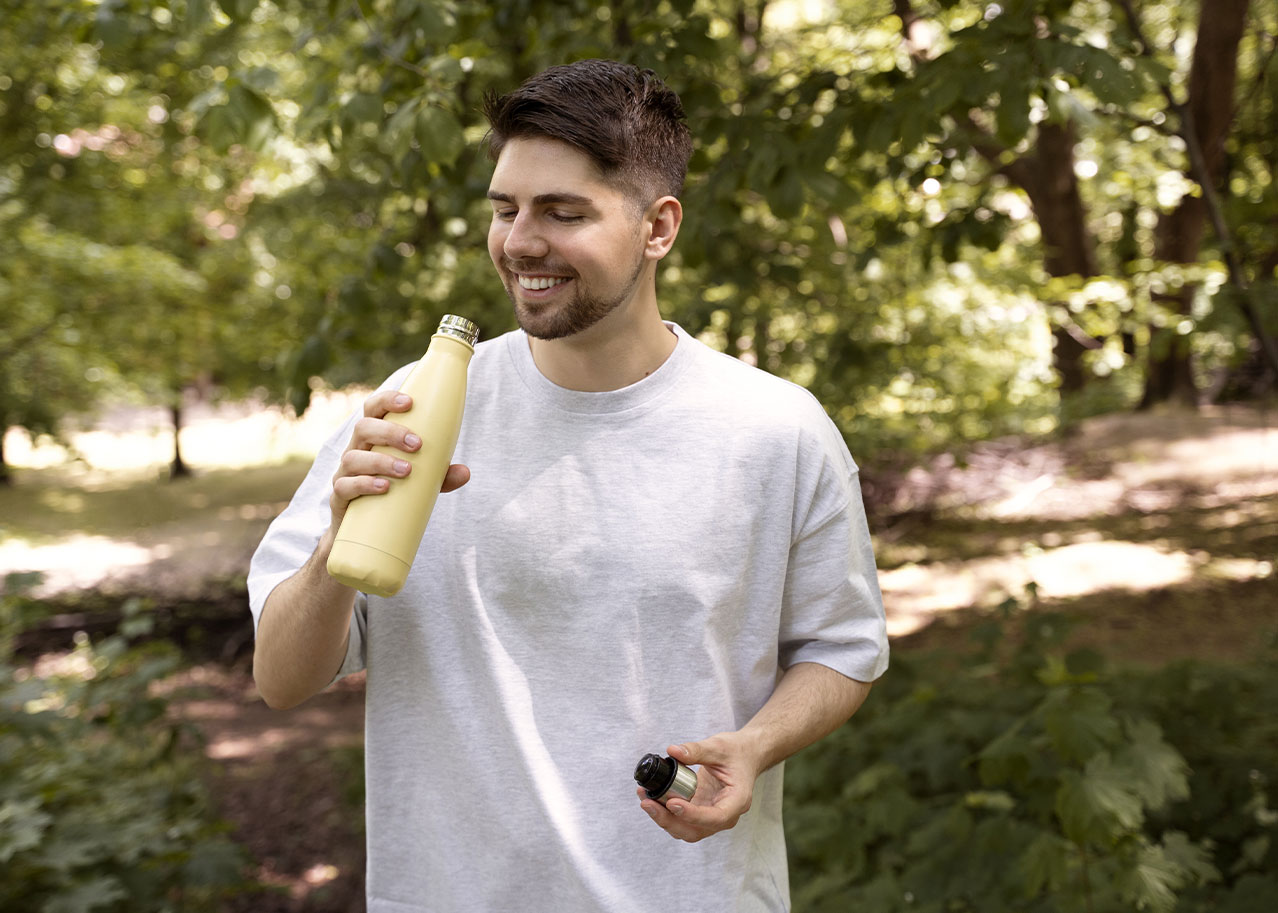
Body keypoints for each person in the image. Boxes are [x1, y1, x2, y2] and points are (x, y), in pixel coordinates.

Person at [248, 58, 888, 912]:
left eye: (563, 211)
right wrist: (336, 542)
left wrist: (758, 743)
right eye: (506, 208)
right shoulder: (418, 407)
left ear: (658, 228)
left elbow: (842, 647)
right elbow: (281, 680)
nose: (519, 241)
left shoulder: (776, 430)